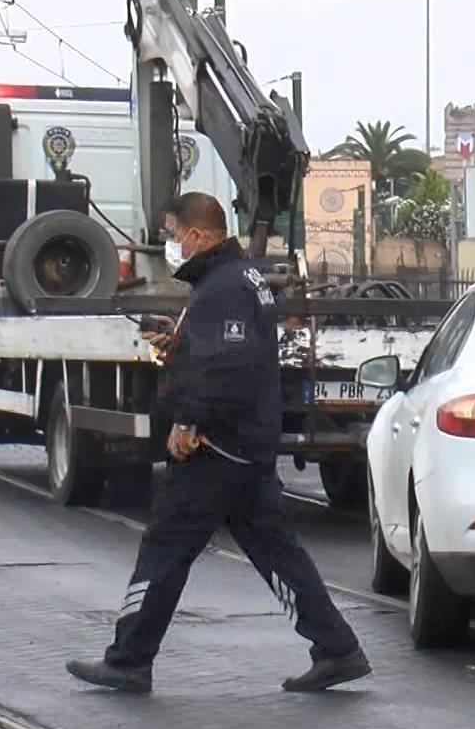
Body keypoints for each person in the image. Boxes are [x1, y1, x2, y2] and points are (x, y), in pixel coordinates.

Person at [67, 192, 370, 694]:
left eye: (172, 234)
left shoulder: (222, 287)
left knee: (164, 547)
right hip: (247, 447)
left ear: (198, 235)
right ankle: (337, 649)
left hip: (217, 449)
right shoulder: (239, 279)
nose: (170, 245)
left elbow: (226, 367)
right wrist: (181, 342)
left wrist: (187, 421)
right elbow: (226, 354)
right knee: (277, 552)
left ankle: (128, 660)